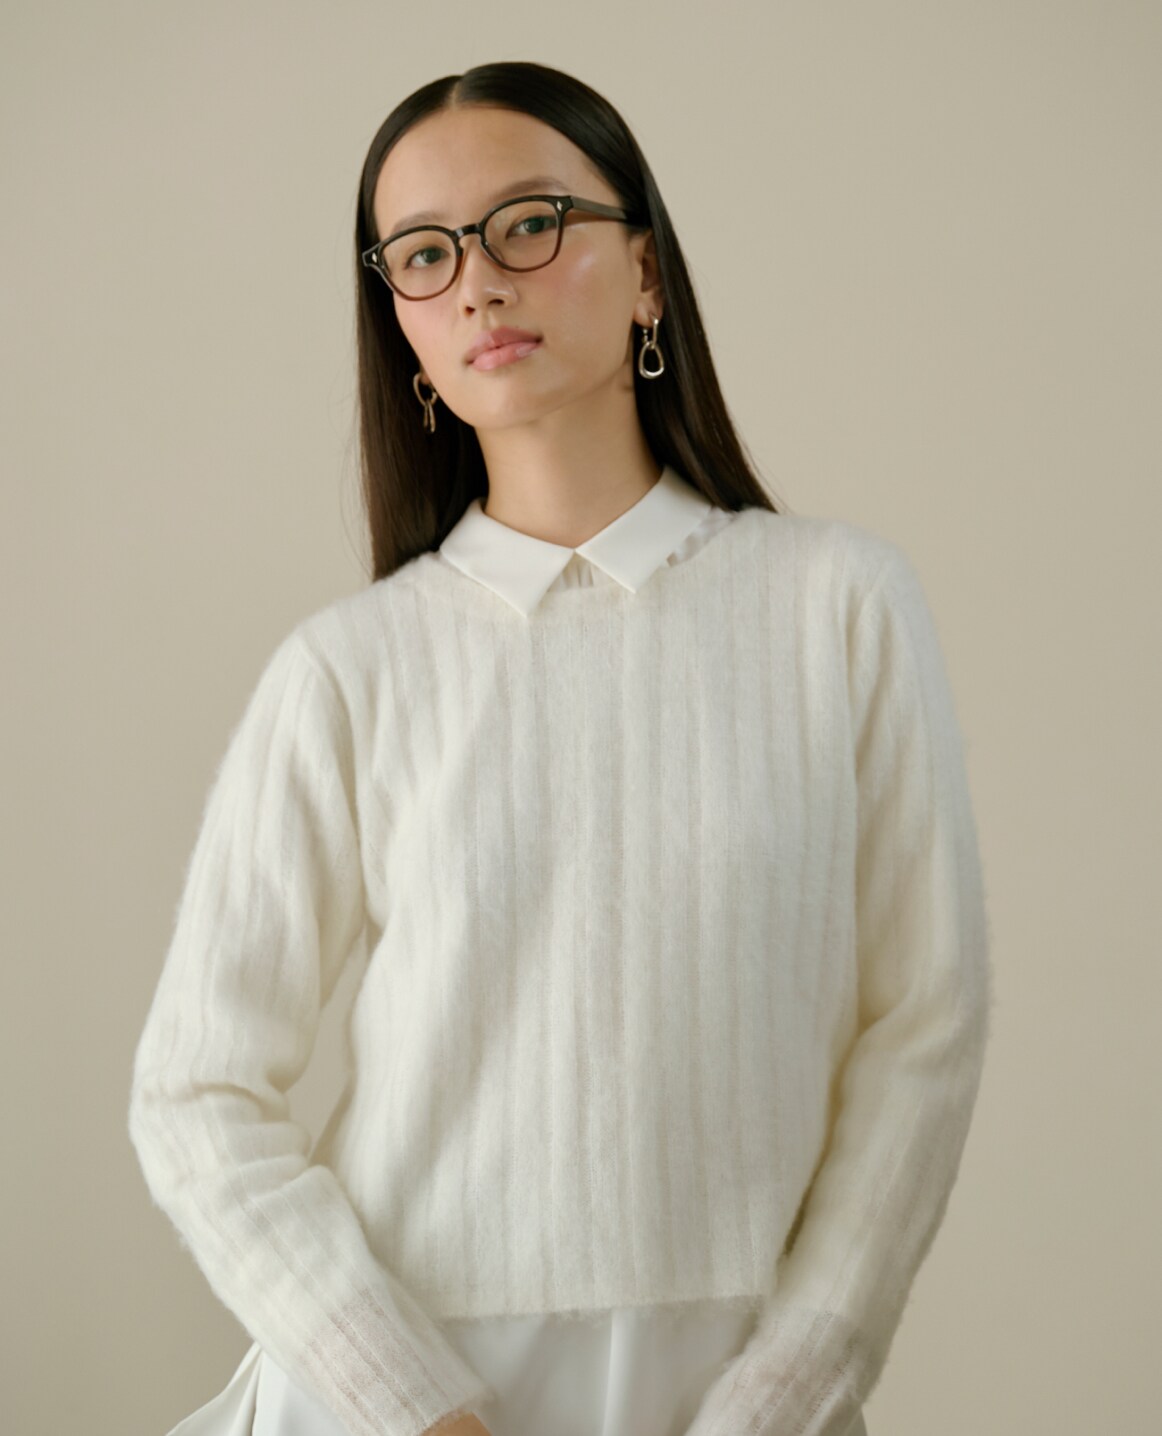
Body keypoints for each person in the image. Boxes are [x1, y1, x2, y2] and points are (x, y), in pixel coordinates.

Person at [128, 60, 993, 1436]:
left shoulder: (837, 606)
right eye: (424, 255)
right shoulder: (348, 671)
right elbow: (194, 1091)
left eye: (527, 223)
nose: (478, 282)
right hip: (397, 1396)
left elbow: (924, 1026)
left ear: (645, 270)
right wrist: (418, 1409)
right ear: (402, 324)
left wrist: (789, 1387)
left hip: (732, 1392)